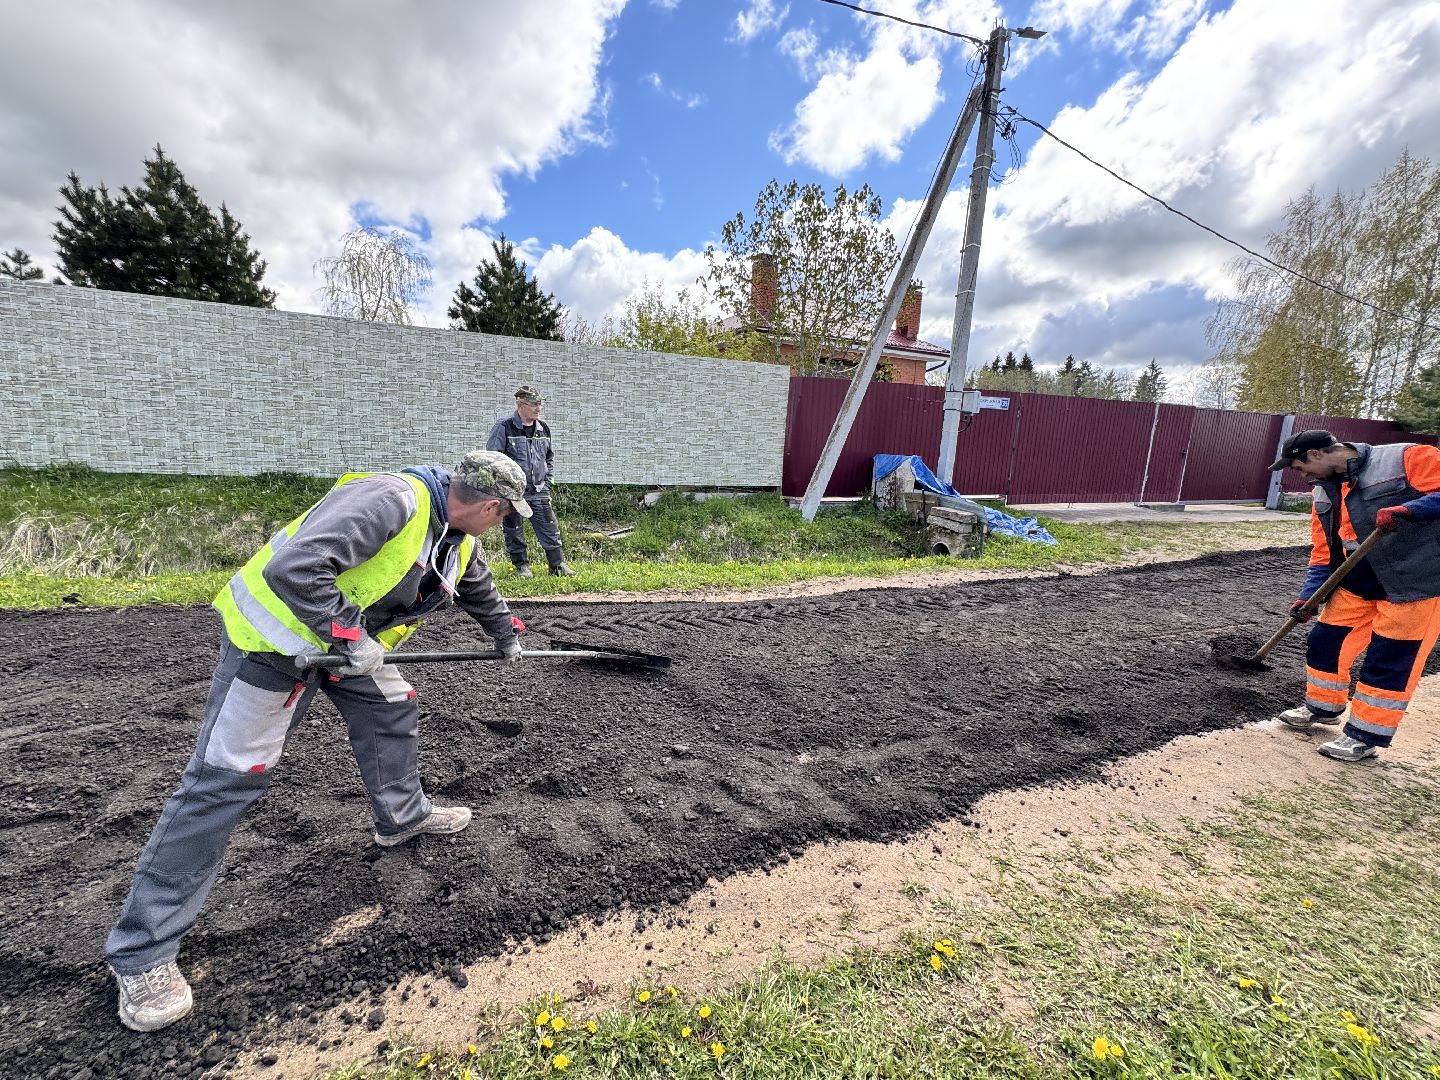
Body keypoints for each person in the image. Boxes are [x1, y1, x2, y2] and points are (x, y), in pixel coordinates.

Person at [105, 451, 531, 1033]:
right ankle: (142, 955)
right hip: (276, 644)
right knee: (226, 781)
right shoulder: (391, 501)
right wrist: (347, 632)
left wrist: (505, 633)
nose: (502, 526)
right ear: (489, 505)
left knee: (392, 704)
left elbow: (473, 582)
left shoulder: (454, 534)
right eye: (506, 516)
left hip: (343, 648)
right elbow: (295, 567)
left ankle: (402, 817)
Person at [1268, 429, 1440, 762]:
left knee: (1390, 659)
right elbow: (1324, 552)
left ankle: (1364, 737)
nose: (1301, 476)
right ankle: (1322, 708)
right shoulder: (1323, 494)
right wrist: (1309, 597)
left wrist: (1413, 508)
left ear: (1316, 454)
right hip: (1358, 581)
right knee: (1325, 642)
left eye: (1300, 467)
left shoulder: (1407, 458)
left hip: (1416, 583)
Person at [486, 384, 575, 577]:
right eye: (534, 404)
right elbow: (494, 459)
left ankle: (557, 566)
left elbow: (549, 458)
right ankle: (522, 567)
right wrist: (504, 488)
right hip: (513, 492)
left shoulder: (543, 429)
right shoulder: (504, 427)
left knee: (550, 527)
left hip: (539, 489)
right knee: (514, 529)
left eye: (540, 403)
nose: (538, 408)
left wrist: (548, 481)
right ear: (521, 404)